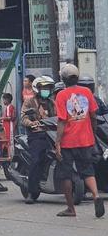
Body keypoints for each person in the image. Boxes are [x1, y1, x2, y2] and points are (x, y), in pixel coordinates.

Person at [54, 63, 105, 219]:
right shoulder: (86, 92)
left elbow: (62, 121)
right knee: (87, 170)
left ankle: (70, 209)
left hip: (68, 142)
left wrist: (57, 142)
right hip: (85, 140)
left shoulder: (61, 95)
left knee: (66, 175)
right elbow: (94, 116)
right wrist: (92, 132)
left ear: (63, 79)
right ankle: (96, 195)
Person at [21, 75, 56, 203]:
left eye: (48, 88)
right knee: (36, 161)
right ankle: (31, 191)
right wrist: (31, 123)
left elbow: (59, 117)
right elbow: (23, 117)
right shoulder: (29, 102)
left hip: (52, 135)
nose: (46, 90)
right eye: (44, 88)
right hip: (36, 135)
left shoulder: (52, 103)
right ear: (37, 89)